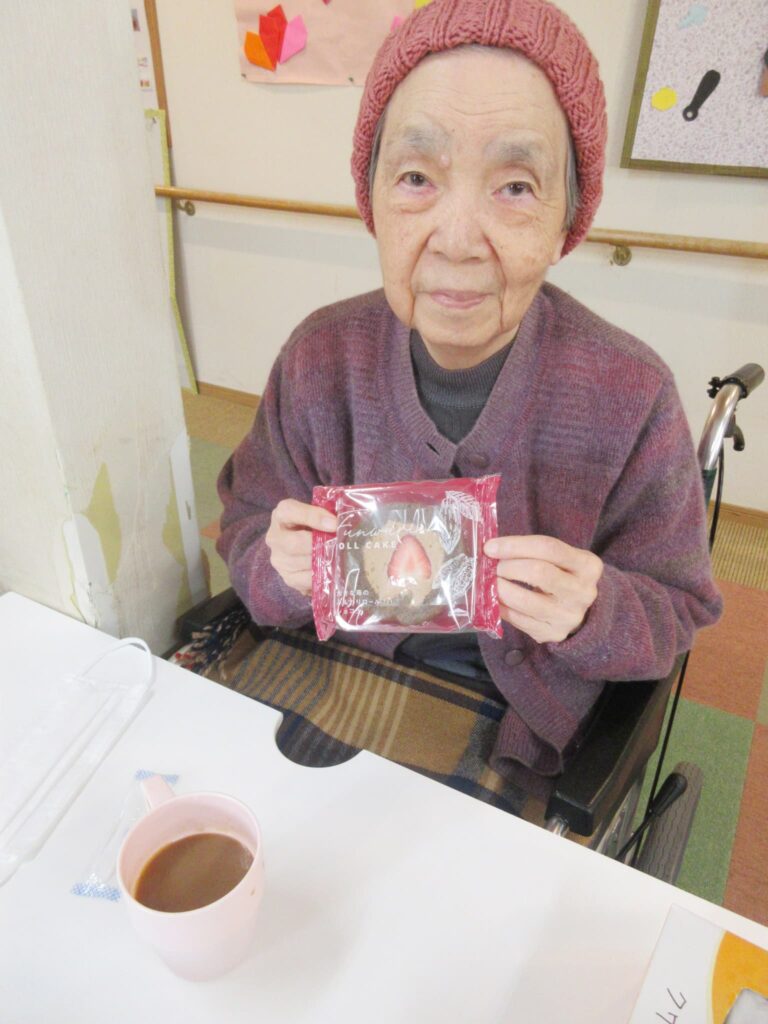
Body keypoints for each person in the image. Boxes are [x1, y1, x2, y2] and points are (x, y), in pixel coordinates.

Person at [217, 0, 722, 796]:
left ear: (566, 220)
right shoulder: (319, 359)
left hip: (519, 717)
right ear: (373, 198)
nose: (457, 240)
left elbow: (677, 608)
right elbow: (247, 529)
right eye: (417, 177)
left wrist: (594, 610)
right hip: (336, 673)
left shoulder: (631, 393)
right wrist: (278, 568)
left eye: (515, 186)